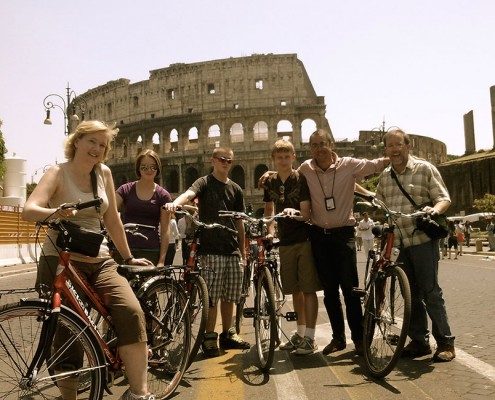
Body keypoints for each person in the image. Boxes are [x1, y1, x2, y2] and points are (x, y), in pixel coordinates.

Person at [22, 120, 155, 400]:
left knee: (130, 312)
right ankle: (69, 397)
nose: (97, 149)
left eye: (103, 145)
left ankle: (139, 394)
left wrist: (128, 256)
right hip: (60, 259)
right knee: (67, 330)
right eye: (92, 141)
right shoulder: (57, 173)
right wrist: (56, 212)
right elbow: (29, 210)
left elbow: (113, 220)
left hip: (99, 258)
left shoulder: (103, 173)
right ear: (77, 141)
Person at [297, 129, 389, 356]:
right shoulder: (306, 169)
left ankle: (358, 339)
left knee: (350, 290)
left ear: (332, 144)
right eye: (314, 145)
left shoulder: (349, 165)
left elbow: (375, 164)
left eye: (322, 143)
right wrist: (269, 174)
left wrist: (396, 154)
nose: (319, 148)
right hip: (319, 236)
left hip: (344, 235)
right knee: (329, 292)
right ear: (310, 148)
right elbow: (288, 176)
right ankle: (338, 338)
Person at [375, 128, 455, 362]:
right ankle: (419, 341)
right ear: (386, 149)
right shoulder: (385, 177)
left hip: (422, 240)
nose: (394, 149)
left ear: (408, 146)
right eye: (390, 145)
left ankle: (445, 343)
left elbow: (444, 198)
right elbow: (380, 204)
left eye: (398, 144)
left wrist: (434, 209)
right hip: (399, 244)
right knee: (410, 294)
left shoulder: (424, 169)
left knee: (431, 292)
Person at [164, 147, 250, 358]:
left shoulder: (236, 190)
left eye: (229, 161)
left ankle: (228, 335)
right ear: (212, 160)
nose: (226, 163)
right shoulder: (204, 182)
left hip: (231, 250)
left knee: (230, 296)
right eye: (222, 159)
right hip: (211, 249)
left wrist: (243, 251)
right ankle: (209, 337)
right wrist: (176, 203)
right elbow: (189, 194)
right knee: (212, 298)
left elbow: (239, 222)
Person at [262, 139, 321, 355]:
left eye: (287, 157)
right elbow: (269, 210)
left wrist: (294, 214)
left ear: (294, 157)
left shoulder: (301, 179)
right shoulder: (269, 182)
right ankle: (300, 332)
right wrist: (270, 231)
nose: (284, 160)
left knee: (308, 289)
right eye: (280, 157)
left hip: (303, 239)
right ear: (274, 159)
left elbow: (306, 213)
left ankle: (311, 337)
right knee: (294, 290)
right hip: (284, 241)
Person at [116, 149, 172, 267]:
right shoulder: (125, 189)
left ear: (158, 169)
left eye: (153, 167)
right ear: (138, 169)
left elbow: (165, 230)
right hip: (125, 250)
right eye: (144, 167)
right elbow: (110, 211)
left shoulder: (163, 195)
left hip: (150, 251)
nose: (149, 170)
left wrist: (161, 261)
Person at [177, 200, 198, 264]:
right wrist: (193, 208)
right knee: (185, 259)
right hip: (186, 239)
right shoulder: (187, 212)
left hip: (194, 239)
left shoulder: (196, 214)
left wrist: (195, 209)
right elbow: (182, 206)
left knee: (193, 259)